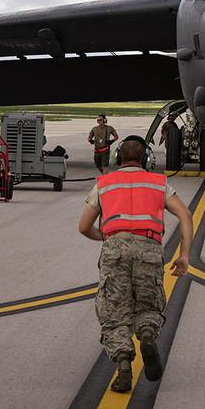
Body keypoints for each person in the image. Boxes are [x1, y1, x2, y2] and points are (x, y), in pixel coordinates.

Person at [77, 136, 194, 393]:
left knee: (114, 310)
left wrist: (106, 237)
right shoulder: (158, 183)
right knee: (148, 303)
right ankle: (148, 335)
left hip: (115, 248)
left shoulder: (104, 184)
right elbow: (185, 214)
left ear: (118, 159)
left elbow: (83, 226)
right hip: (149, 248)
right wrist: (184, 255)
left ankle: (123, 368)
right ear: (147, 160)